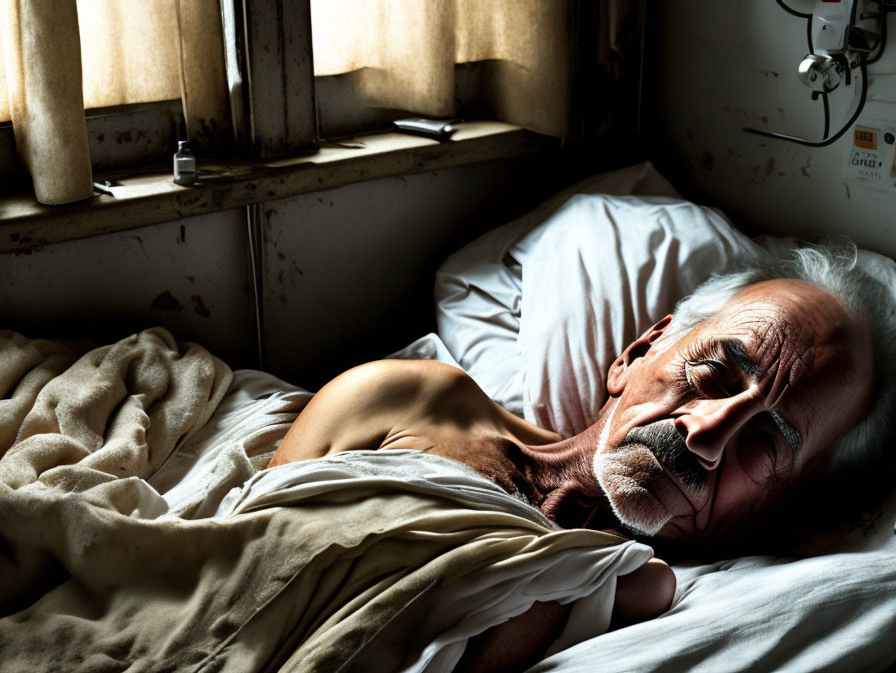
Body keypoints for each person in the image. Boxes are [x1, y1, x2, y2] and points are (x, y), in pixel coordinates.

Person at [267, 242, 895, 671]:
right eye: (716, 374)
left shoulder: (657, 606)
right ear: (637, 352)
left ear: (781, 506)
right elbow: (252, 559)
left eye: (765, 444)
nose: (704, 436)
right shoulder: (408, 400)